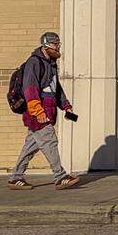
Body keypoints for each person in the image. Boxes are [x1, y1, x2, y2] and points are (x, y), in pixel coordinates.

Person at [7, 32, 80, 190]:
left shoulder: (51, 64)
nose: (58, 47)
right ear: (46, 45)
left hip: (48, 111)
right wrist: (38, 112)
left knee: (30, 146)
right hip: (38, 113)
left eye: (58, 44)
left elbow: (55, 88)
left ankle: (15, 177)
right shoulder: (34, 62)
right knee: (50, 141)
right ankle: (60, 176)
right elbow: (30, 88)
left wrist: (66, 106)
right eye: (55, 44)